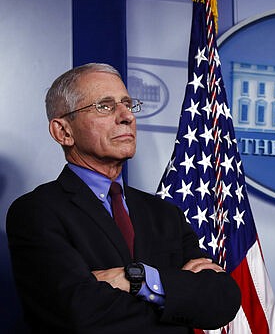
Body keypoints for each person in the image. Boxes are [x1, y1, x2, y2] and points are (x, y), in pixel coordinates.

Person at [6, 63, 241, 333]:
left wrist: (136, 279)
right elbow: (79, 315)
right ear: (63, 132)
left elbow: (222, 300)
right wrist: (177, 298)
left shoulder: (165, 214)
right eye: (105, 106)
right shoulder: (37, 211)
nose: (126, 116)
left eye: (128, 104)